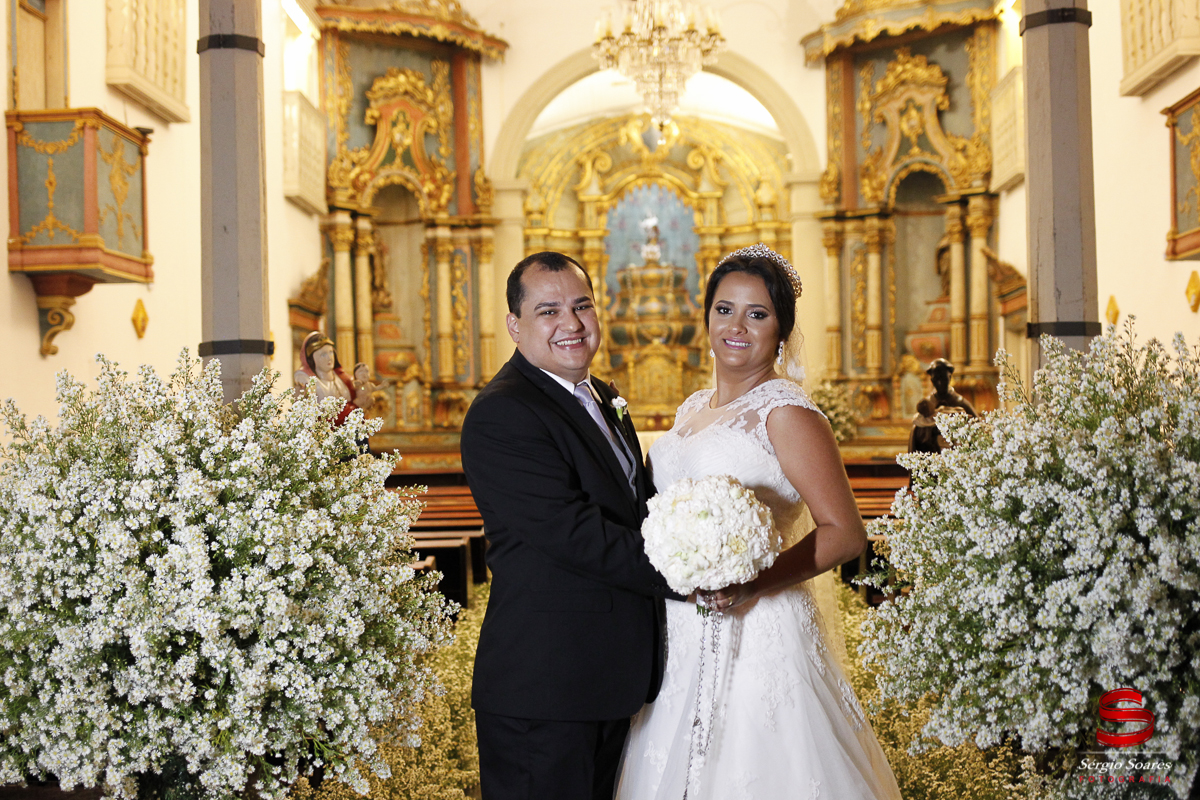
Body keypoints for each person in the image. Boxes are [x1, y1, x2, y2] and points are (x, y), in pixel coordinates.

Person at [616, 243, 901, 799]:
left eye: (757, 314)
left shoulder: (787, 413)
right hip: (680, 627)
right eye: (724, 310)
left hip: (760, 625)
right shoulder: (691, 408)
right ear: (706, 317)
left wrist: (751, 583)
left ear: (781, 330)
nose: (737, 327)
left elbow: (845, 531)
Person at [460, 251, 678, 800]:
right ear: (515, 325)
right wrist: (690, 570)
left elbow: (635, 506)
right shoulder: (502, 413)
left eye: (582, 306)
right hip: (547, 688)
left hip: (604, 675)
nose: (572, 324)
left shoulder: (602, 395)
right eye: (549, 311)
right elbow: (575, 534)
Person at [909, 357, 976, 453]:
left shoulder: (960, 402)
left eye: (943, 378)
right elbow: (918, 430)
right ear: (931, 380)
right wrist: (931, 432)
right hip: (932, 455)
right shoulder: (927, 405)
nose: (940, 383)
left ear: (949, 377)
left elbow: (976, 427)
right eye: (936, 379)